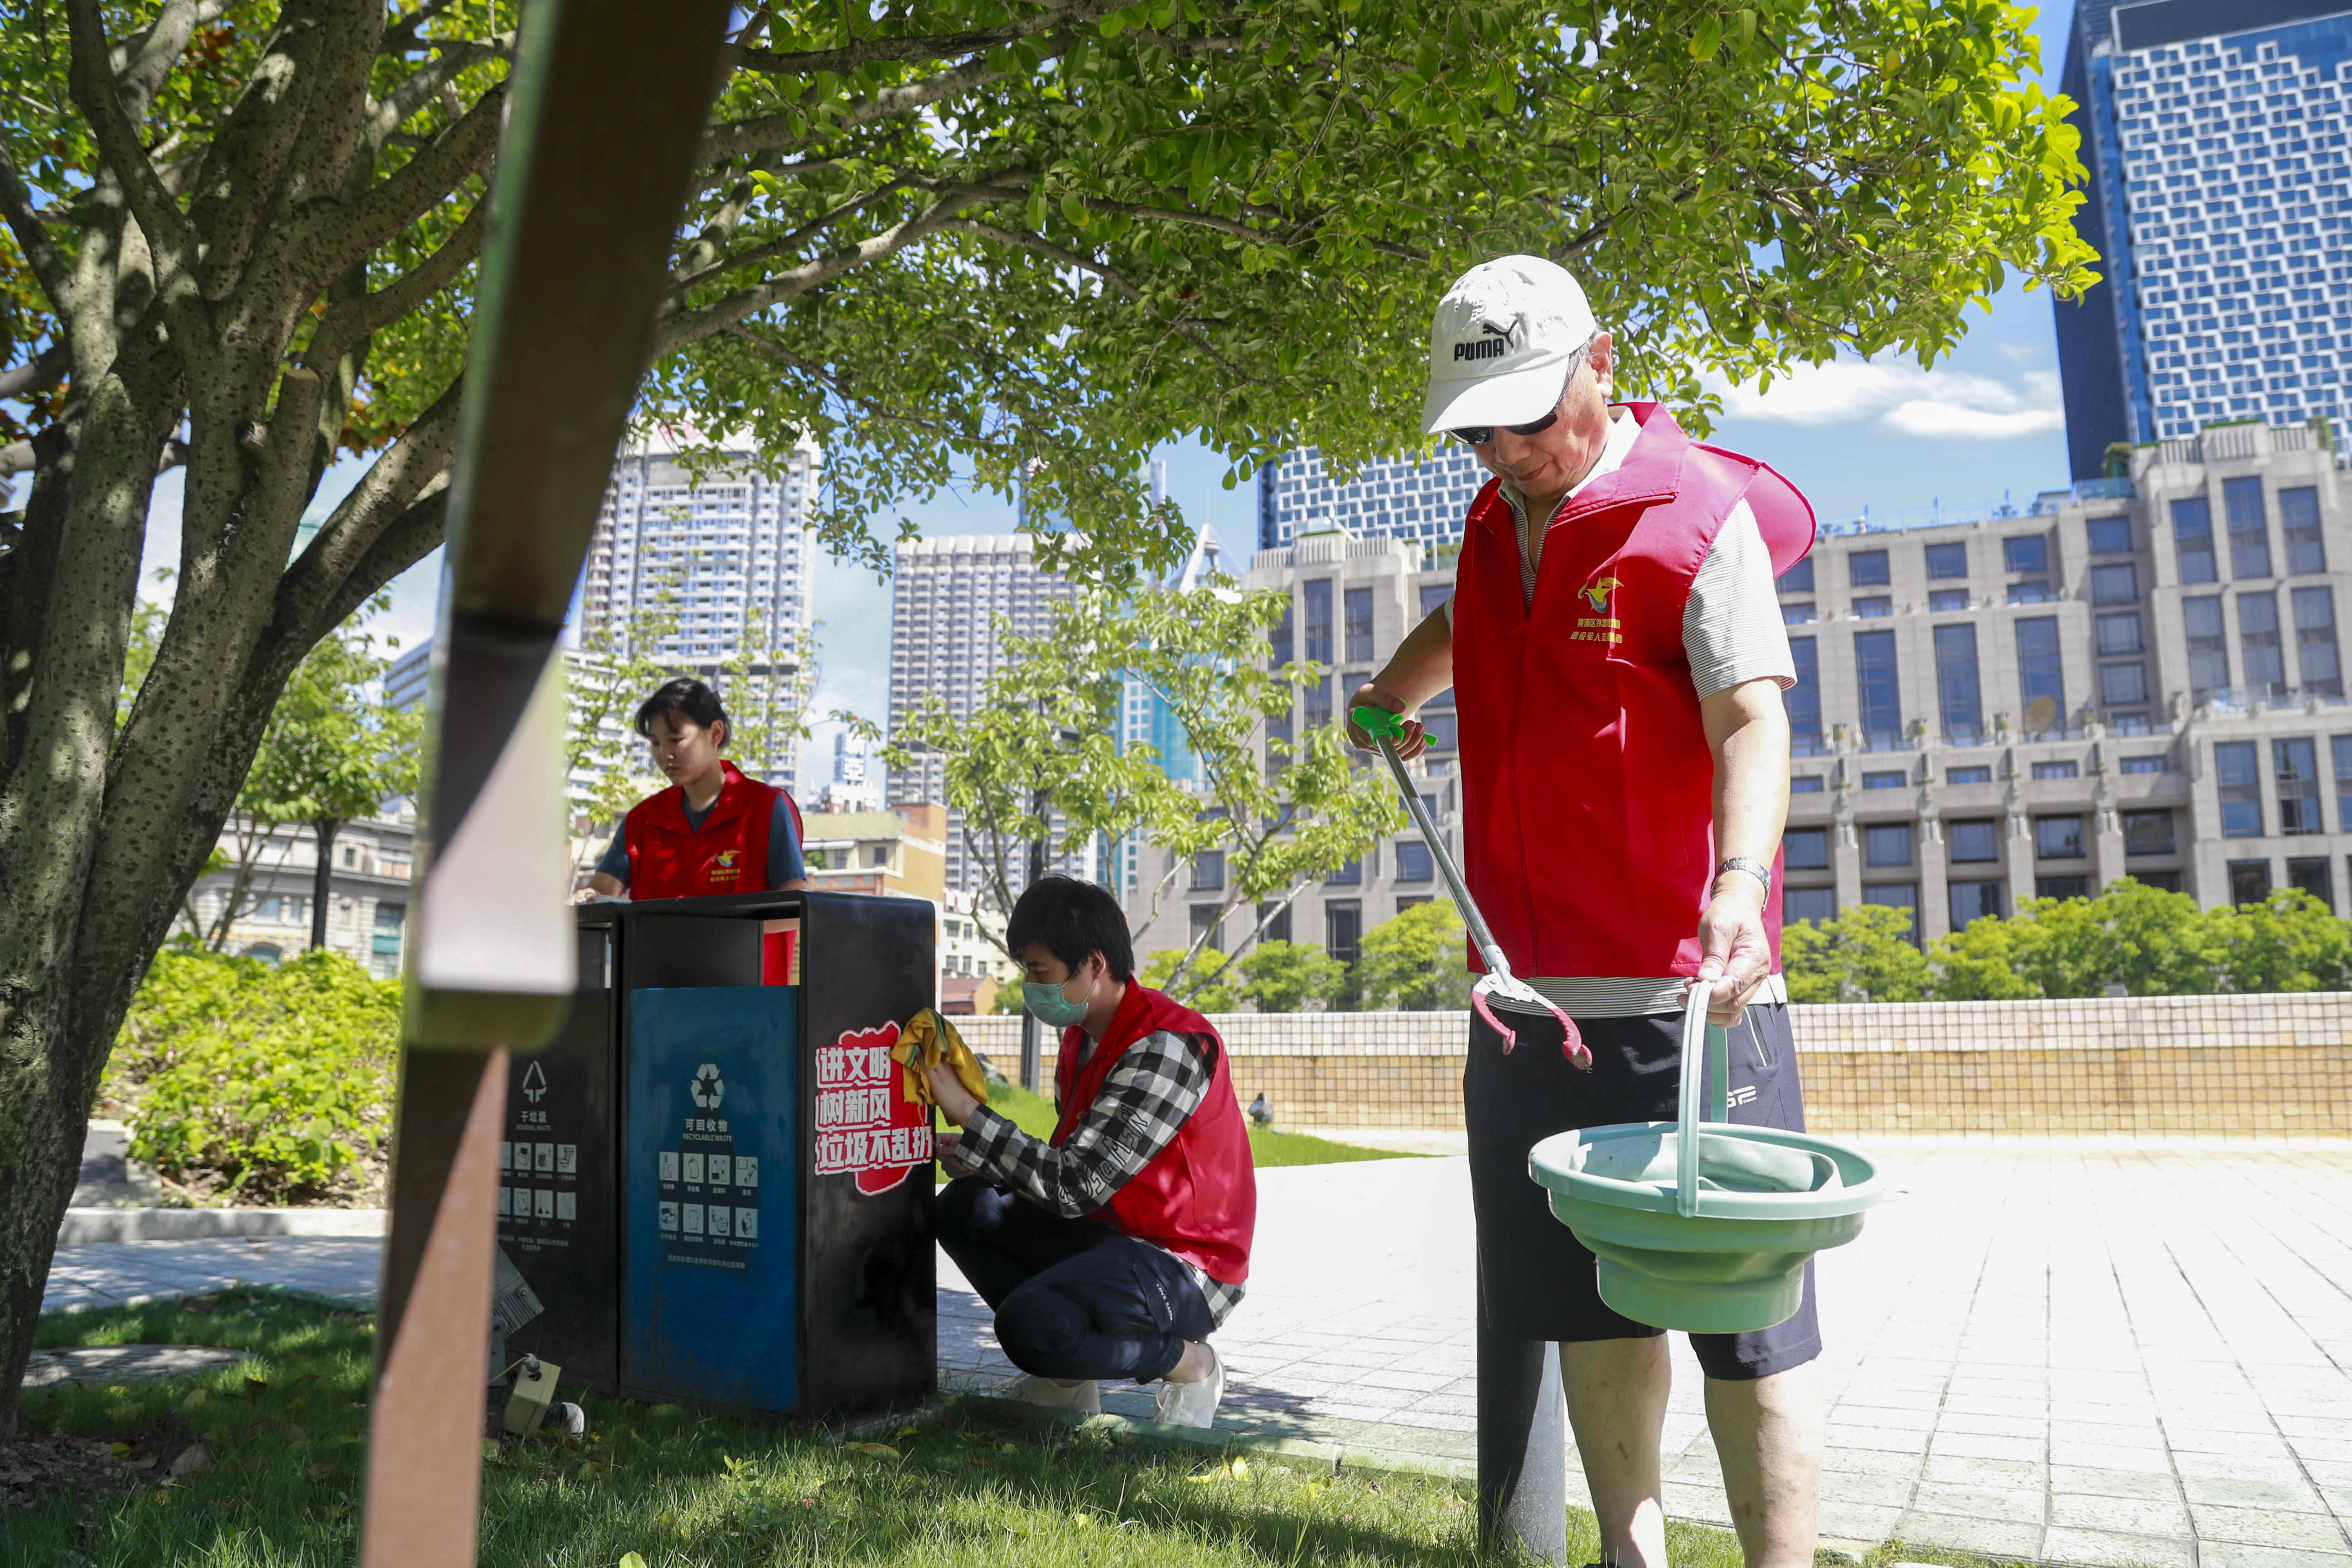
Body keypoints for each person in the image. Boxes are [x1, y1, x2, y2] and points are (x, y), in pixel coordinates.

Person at [1347, 255, 1817, 1568]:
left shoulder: (1693, 516)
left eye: (1528, 414)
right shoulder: (1494, 519)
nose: (1505, 449)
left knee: (1745, 1320)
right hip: (1523, 1006)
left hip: (1691, 999)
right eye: (1479, 428)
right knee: (1589, 1307)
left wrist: (1735, 885)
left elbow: (1749, 715)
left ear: (1599, 365)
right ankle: (1629, 1553)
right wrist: (1394, 688)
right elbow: (1478, 618)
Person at [924, 876, 1254, 1429]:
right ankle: (1068, 1377)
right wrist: (980, 1157)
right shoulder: (1081, 1040)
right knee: (966, 1207)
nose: (1031, 987)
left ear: (1094, 965)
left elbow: (1077, 1185)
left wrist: (966, 1111)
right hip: (1111, 1240)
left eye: (1039, 971)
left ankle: (1190, 1362)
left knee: (1029, 1326)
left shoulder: (1166, 1046)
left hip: (1187, 1267)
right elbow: (1071, 1163)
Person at [579, 677, 813, 901]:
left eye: (676, 740)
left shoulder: (766, 808)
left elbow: (796, 906)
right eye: (655, 743)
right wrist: (584, 900)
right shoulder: (644, 820)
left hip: (743, 944)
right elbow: (600, 898)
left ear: (715, 734)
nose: (664, 755)